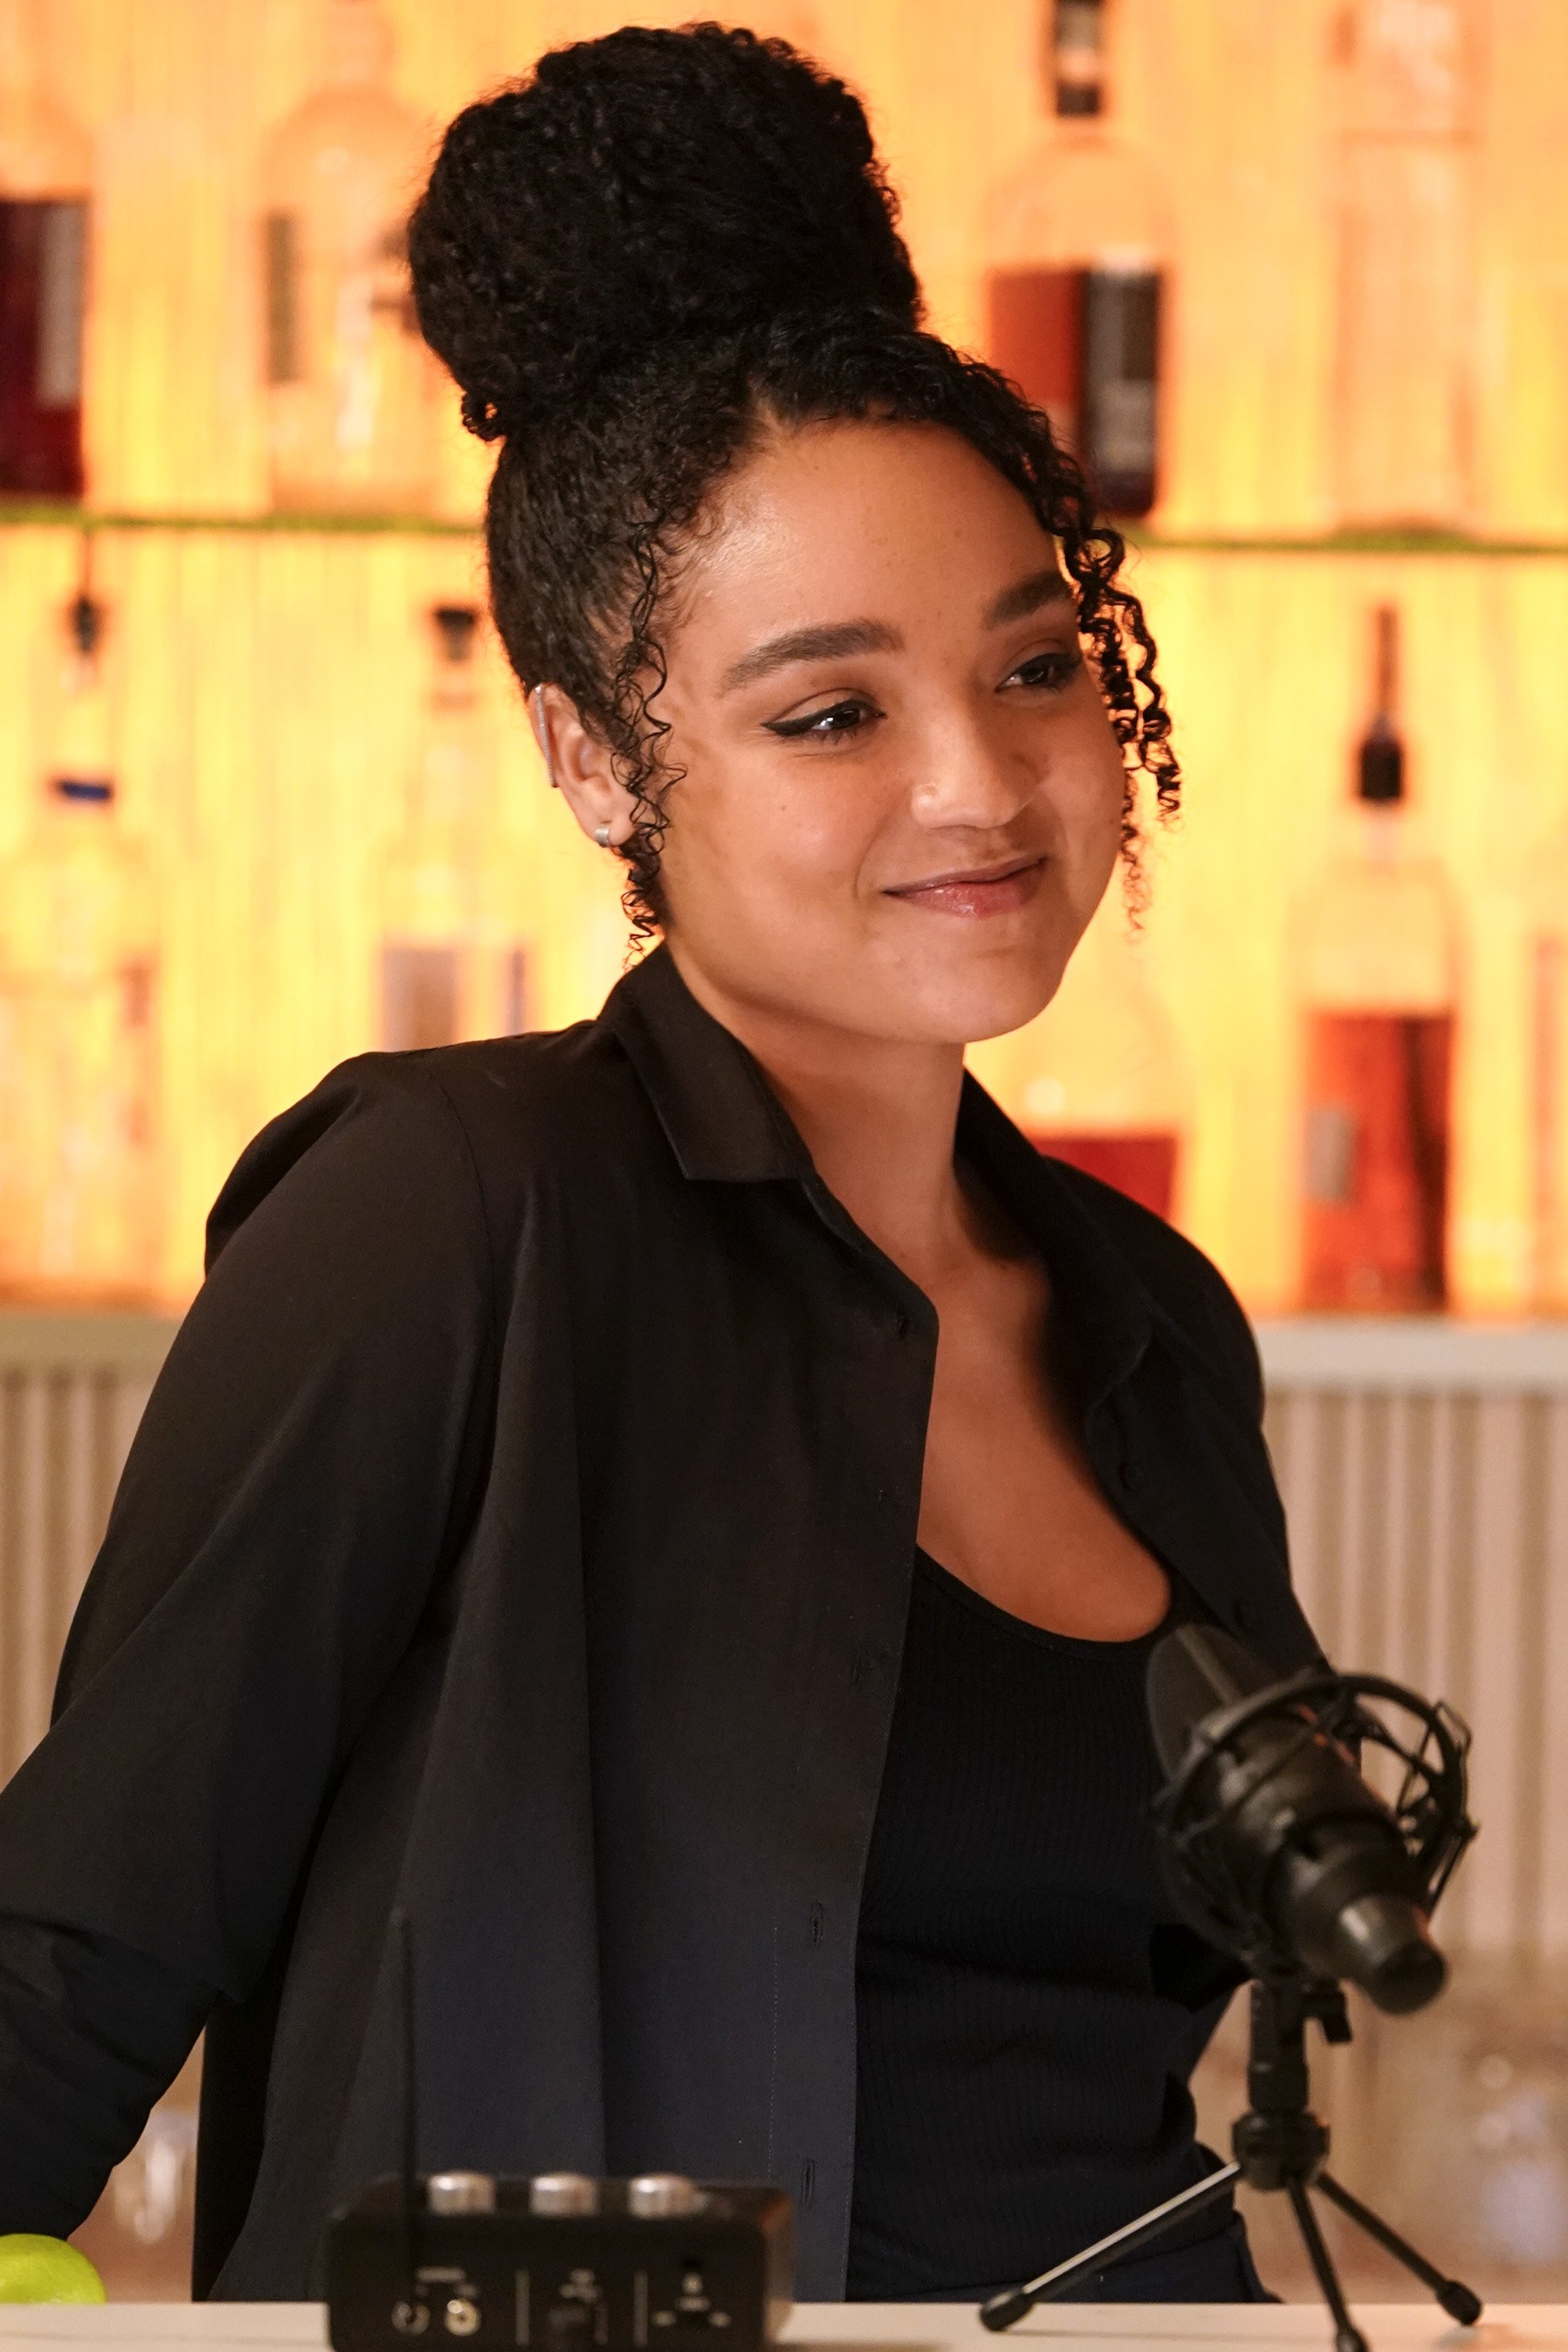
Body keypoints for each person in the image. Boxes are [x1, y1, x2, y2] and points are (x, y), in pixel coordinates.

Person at [0, 24, 1319, 2307]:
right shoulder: (445, 1220)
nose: (980, 788)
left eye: (1034, 667)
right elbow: (73, 1959)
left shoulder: (1152, 1326)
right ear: (598, 761)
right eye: (829, 712)